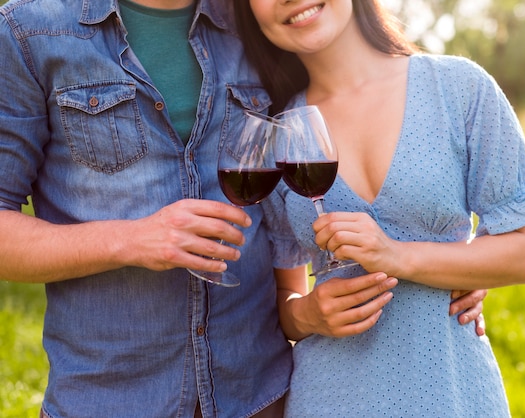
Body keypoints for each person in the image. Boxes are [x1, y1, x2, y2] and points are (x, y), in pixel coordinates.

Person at [0, 0, 488, 416]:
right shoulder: (30, 31)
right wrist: (132, 239)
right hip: (108, 399)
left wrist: (449, 258)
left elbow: (352, 97)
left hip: (260, 396)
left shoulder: (257, 21)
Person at [235, 0, 525, 416]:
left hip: (451, 392)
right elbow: (285, 296)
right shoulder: (277, 133)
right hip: (330, 398)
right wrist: (308, 314)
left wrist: (398, 255)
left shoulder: (459, 88)